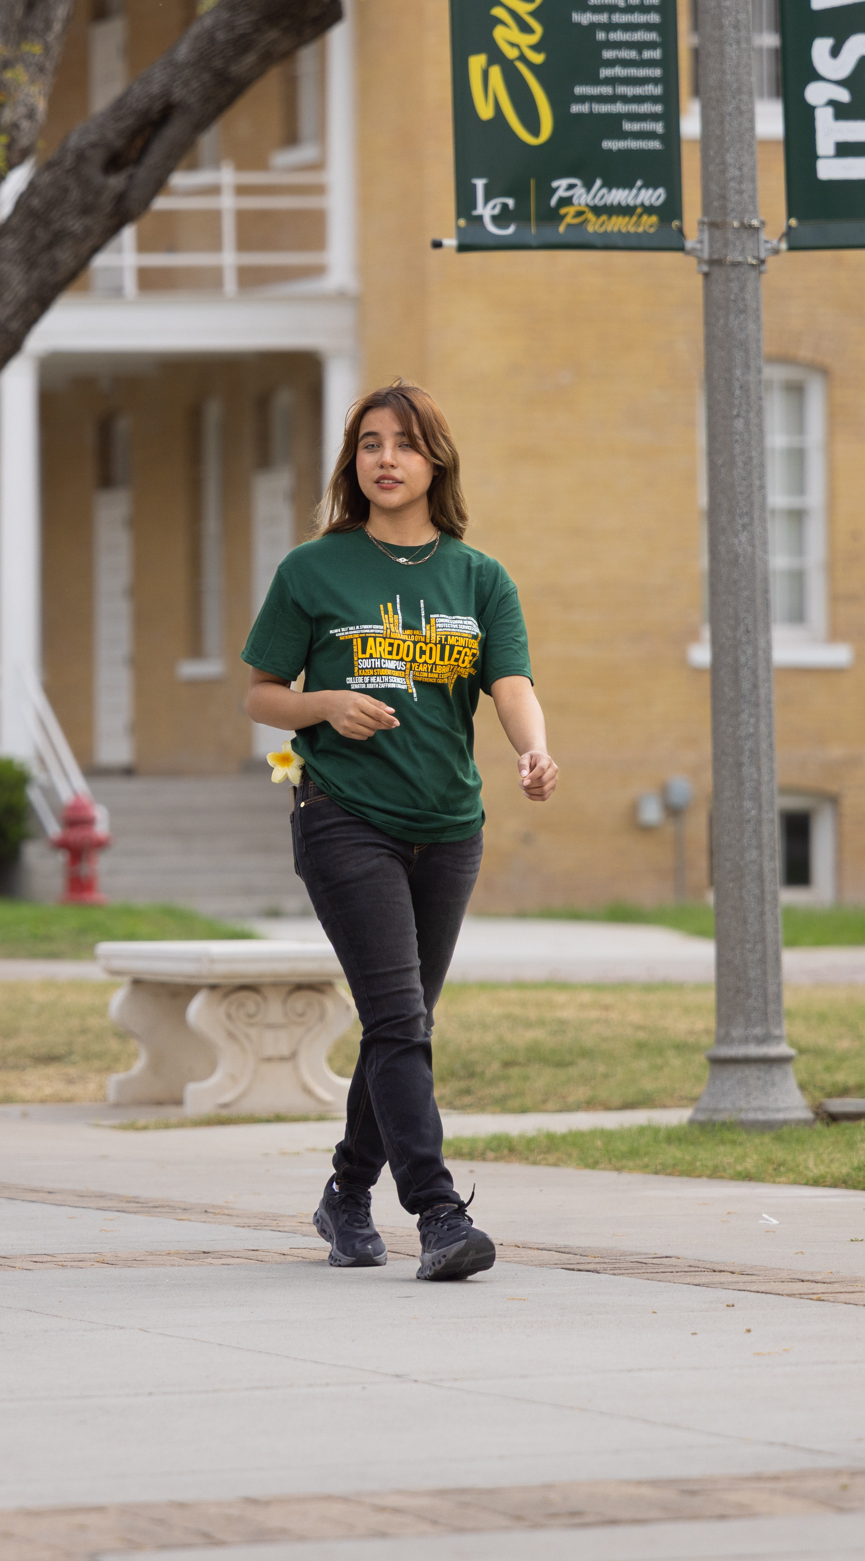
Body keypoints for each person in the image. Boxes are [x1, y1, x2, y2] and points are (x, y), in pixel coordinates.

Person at [243, 380, 556, 1282]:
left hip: (449, 825)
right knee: (399, 1020)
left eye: (406, 445)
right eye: (371, 443)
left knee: (401, 1026)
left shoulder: (479, 576)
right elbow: (262, 693)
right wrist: (328, 704)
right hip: (344, 815)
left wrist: (533, 752)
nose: (387, 459)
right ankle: (439, 1212)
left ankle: (345, 1196)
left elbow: (512, 686)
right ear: (355, 462)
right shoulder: (314, 569)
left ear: (435, 462)